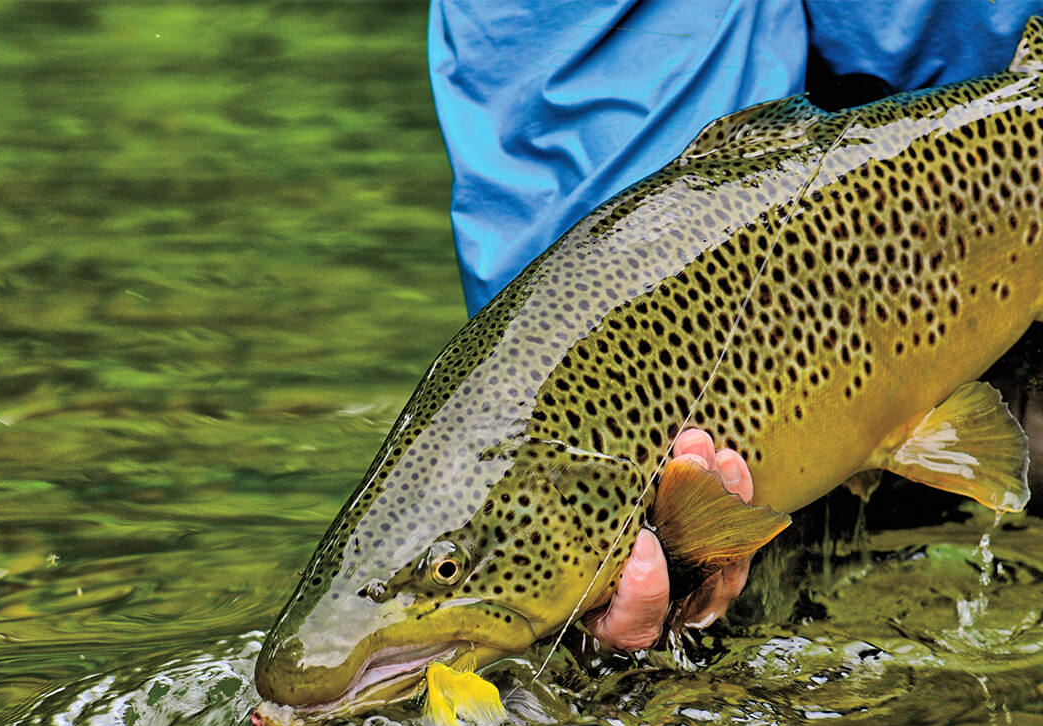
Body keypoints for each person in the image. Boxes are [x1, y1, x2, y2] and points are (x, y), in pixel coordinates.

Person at [427, 0, 1043, 651]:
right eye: (443, 569)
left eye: (445, 573)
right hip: (846, 265)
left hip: (964, 180)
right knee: (658, 644)